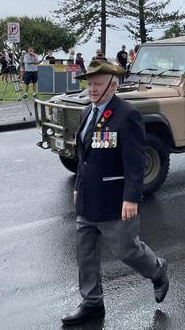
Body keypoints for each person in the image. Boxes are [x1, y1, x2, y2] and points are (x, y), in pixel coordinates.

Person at [62, 60, 169, 325]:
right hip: (88, 198)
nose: (92, 89)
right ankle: (92, 303)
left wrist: (132, 197)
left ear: (113, 84)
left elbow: (135, 161)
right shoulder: (88, 112)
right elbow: (84, 157)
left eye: (98, 84)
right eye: (90, 83)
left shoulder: (127, 115)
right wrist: (78, 187)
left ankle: (157, 270)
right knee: (85, 253)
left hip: (115, 200)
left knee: (126, 251)